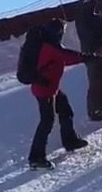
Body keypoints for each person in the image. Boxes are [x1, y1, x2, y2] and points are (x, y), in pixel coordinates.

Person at [26, 19, 92, 169]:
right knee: (47, 121)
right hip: (45, 89)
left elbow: (62, 60)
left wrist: (83, 58)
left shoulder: (49, 46)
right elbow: (66, 55)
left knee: (65, 110)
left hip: (50, 87)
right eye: (62, 30)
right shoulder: (50, 46)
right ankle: (36, 157)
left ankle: (70, 140)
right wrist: (84, 56)